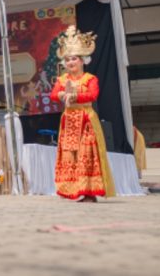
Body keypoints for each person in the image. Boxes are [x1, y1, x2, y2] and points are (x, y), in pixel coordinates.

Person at [49, 25, 115, 202]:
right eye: (68, 60)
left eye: (75, 59)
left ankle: (89, 192)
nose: (71, 63)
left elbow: (93, 95)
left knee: (87, 154)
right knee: (70, 155)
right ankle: (72, 190)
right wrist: (63, 94)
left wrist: (75, 95)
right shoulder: (62, 80)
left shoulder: (90, 79)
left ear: (83, 60)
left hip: (86, 120)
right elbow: (53, 95)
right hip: (69, 121)